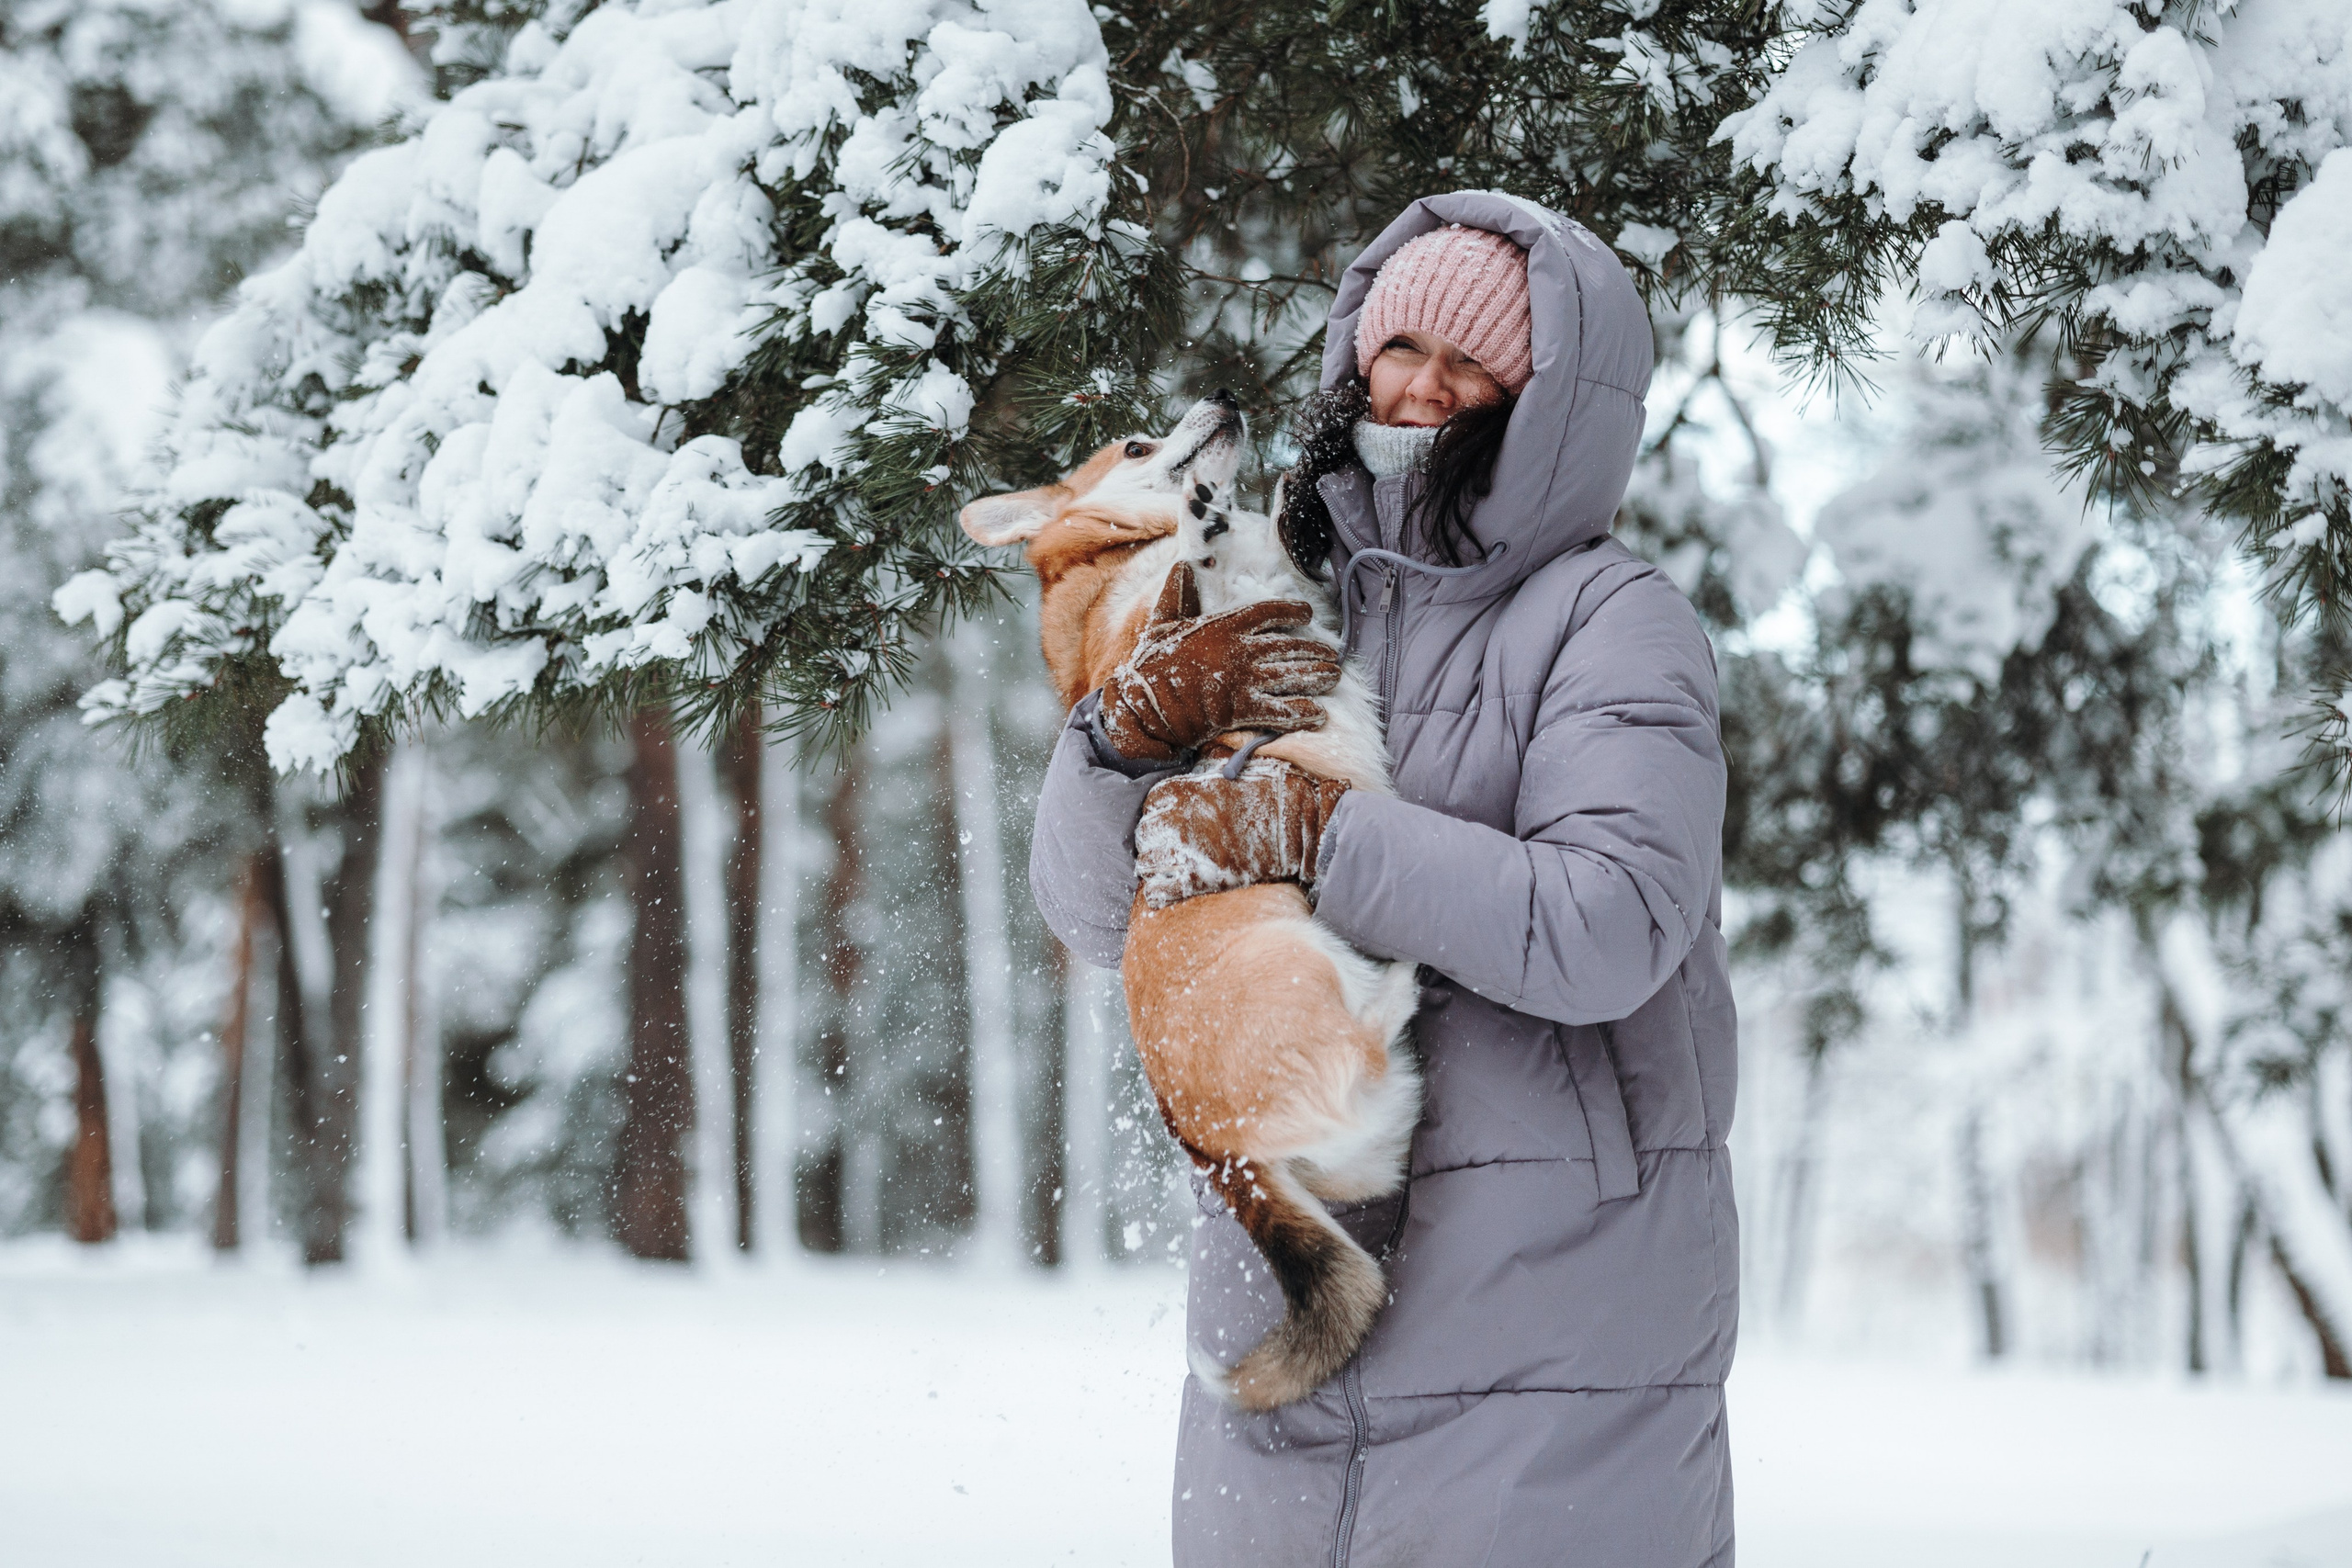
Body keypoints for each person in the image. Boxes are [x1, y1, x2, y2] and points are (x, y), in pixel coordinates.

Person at [1029, 192, 1736, 1567]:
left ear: (1548, 400)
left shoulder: (1609, 620)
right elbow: (1101, 913)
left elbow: (1611, 926)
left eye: (1472, 360)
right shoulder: (1281, 590)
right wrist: (1113, 737)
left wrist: (1316, 835)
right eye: (1399, 345)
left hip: (1544, 1329)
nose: (1422, 384)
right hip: (1290, 1289)